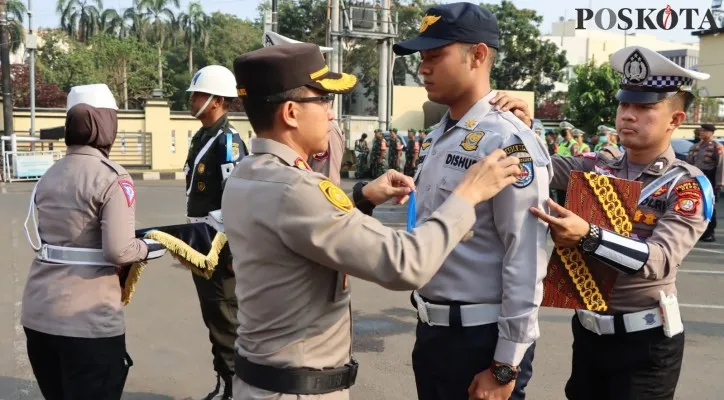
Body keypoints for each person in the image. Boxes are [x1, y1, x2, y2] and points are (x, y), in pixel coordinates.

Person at [224, 42, 524, 400]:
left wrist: (362, 199)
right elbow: (404, 264)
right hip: (295, 390)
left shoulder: (248, 174)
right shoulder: (296, 189)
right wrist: (468, 195)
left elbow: (305, 230)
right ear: (291, 112)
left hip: (262, 381)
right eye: (322, 100)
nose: (331, 114)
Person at [489, 45, 715, 400]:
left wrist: (589, 236)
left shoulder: (685, 184)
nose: (628, 115)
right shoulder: (599, 164)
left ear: (674, 120)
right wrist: (523, 128)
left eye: (644, 107)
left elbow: (658, 261)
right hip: (588, 334)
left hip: (646, 345)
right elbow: (539, 168)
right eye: (625, 104)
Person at [392, 4, 552, 400]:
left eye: (435, 55)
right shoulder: (435, 137)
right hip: (433, 333)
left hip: (481, 343)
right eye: (421, 59)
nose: (423, 68)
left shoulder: (507, 140)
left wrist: (506, 362)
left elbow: (526, 254)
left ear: (478, 55)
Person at [21, 84, 167, 400]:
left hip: (39, 315)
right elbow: (119, 249)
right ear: (106, 126)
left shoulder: (50, 174)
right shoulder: (111, 177)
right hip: (87, 322)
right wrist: (157, 245)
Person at [184, 65, 248, 400]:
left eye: (197, 95)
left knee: (225, 321)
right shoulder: (203, 137)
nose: (192, 101)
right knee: (214, 317)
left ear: (216, 101)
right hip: (201, 244)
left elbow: (238, 201)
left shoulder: (228, 142)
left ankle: (237, 391)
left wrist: (235, 253)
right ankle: (226, 385)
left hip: (220, 247)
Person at [686, 123, 722, 242]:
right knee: (695, 205)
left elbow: (721, 166)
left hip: (709, 178)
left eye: (705, 131)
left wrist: (719, 182)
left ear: (711, 133)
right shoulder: (695, 146)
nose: (702, 133)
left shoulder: (717, 147)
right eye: (701, 131)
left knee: (709, 205)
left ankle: (709, 232)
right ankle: (698, 231)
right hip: (696, 178)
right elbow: (689, 163)